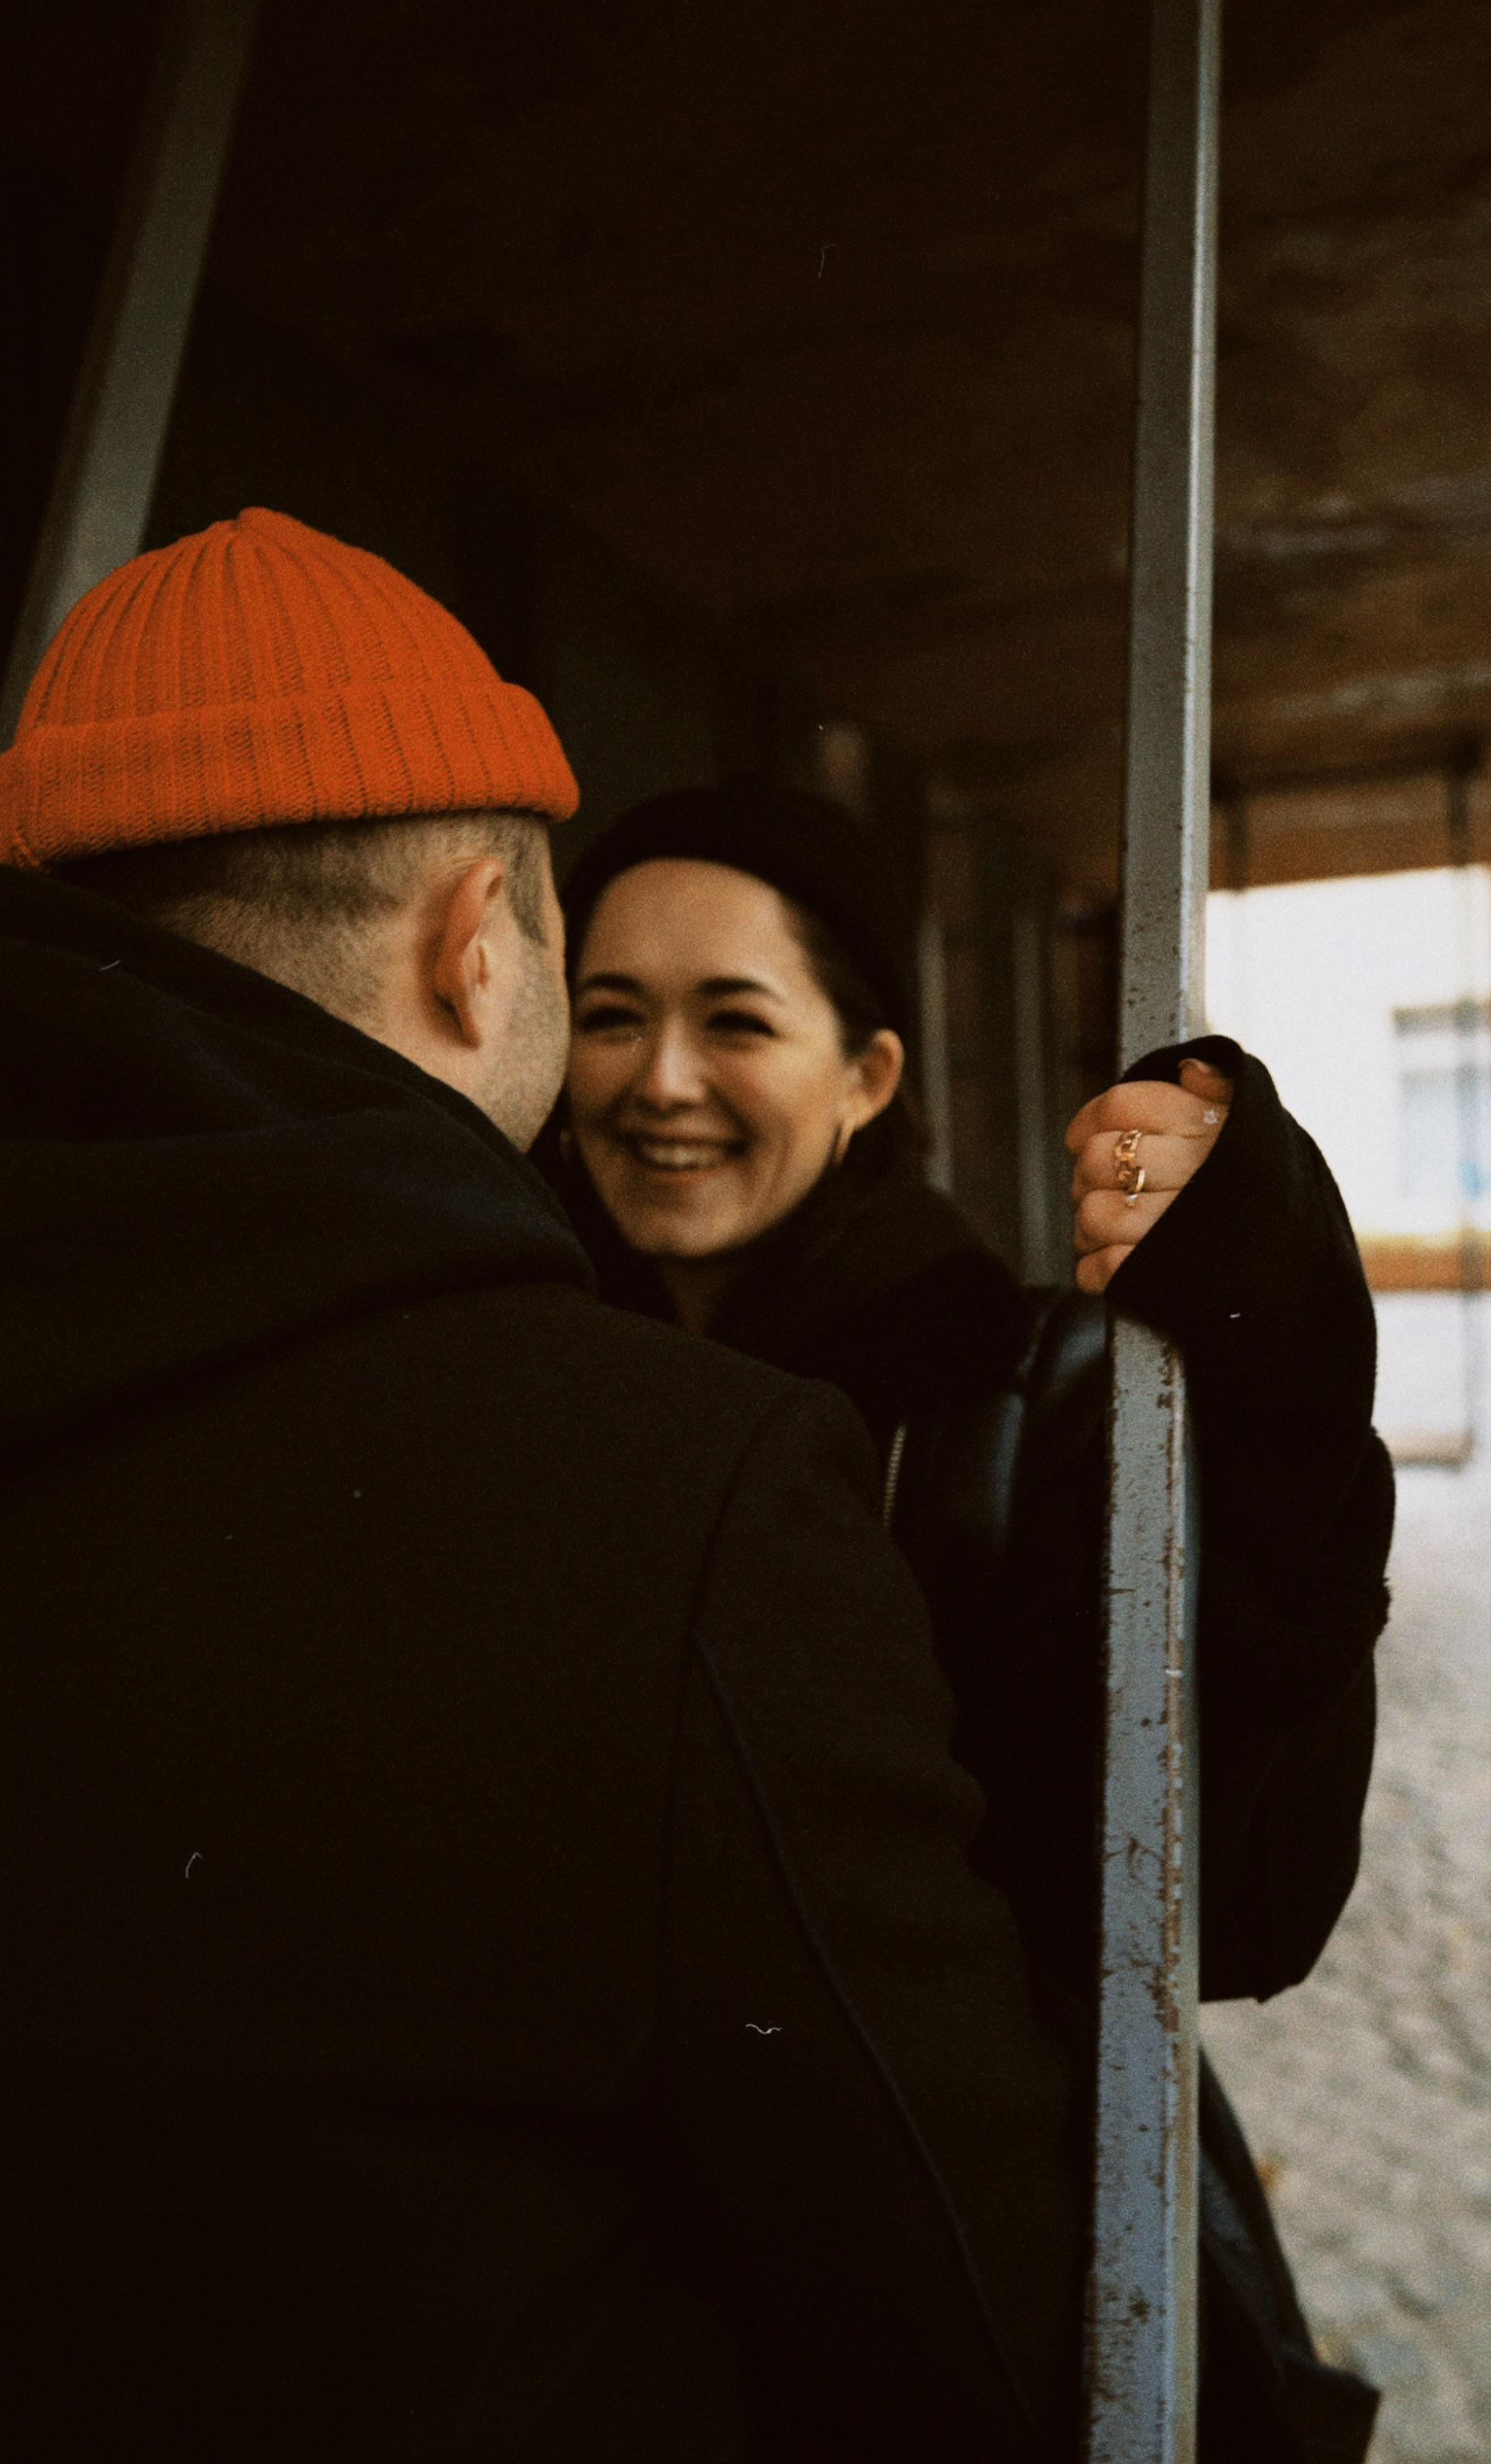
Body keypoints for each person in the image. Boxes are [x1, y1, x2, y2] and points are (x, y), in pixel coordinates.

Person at [0, 511, 1088, 2462]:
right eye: (605, 993)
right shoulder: (682, 1485)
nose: (655, 1079)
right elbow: (966, 2309)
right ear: (477, 941)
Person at [546, 778, 1396, 2462]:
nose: (660, 1080)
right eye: (609, 1014)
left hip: (968, 2294)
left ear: (867, 1076)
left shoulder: (1030, 1396)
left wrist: (1276, 1341)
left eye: (735, 1020)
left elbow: (1245, 1897)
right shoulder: (523, 1387)